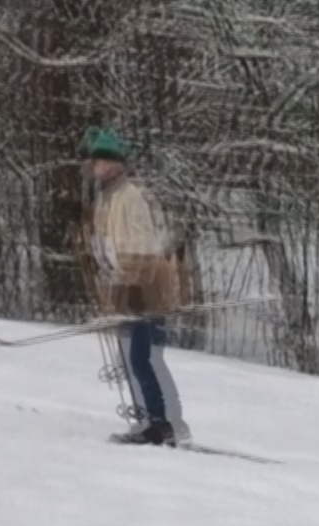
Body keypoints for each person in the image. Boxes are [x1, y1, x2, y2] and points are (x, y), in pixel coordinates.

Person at [80, 126, 190, 446]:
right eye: (95, 162)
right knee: (132, 359)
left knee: (142, 358)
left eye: (102, 162)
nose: (97, 168)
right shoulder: (109, 198)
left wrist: (134, 284)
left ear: (115, 164)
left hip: (145, 288)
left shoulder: (130, 197)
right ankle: (149, 420)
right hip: (127, 286)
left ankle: (160, 423)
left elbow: (141, 246)